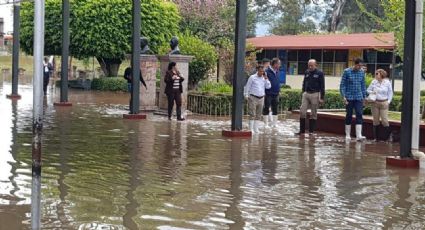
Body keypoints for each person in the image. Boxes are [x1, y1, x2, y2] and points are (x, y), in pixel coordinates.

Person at [340, 58, 367, 141]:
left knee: (359, 114)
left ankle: (359, 135)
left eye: (361, 66)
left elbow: (363, 85)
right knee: (349, 114)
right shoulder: (347, 71)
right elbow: (342, 85)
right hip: (349, 97)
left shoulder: (362, 72)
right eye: (358, 65)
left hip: (358, 97)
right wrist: (344, 96)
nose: (360, 67)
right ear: (355, 64)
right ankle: (348, 134)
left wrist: (364, 97)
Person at [296, 59, 325, 135]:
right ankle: (302, 131)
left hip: (315, 94)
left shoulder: (320, 73)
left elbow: (322, 86)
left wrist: (322, 97)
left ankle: (311, 132)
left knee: (313, 113)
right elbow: (304, 82)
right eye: (309, 65)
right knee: (302, 111)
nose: (310, 67)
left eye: (312, 65)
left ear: (316, 65)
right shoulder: (307, 72)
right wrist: (303, 92)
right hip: (306, 94)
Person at [367, 69, 393, 141]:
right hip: (375, 102)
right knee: (375, 120)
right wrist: (373, 91)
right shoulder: (374, 82)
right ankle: (376, 138)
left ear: (381, 75)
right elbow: (368, 90)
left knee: (384, 120)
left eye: (377, 74)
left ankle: (388, 136)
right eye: (375, 74)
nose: (375, 75)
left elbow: (390, 93)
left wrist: (388, 101)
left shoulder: (387, 82)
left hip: (384, 102)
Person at [244, 65, 271, 133]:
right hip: (253, 97)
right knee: (252, 113)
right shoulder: (252, 77)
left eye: (263, 71)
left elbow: (268, 87)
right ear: (257, 70)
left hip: (261, 98)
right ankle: (251, 129)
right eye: (260, 71)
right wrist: (246, 95)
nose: (262, 72)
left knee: (259, 114)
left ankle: (256, 129)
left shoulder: (264, 78)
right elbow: (247, 86)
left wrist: (266, 79)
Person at [263, 58, 281, 128]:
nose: (279, 65)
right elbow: (263, 82)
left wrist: (279, 91)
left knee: (275, 108)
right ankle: (266, 124)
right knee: (266, 107)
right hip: (268, 93)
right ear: (275, 64)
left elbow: (277, 82)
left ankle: (274, 123)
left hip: (276, 93)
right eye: (279, 64)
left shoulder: (277, 72)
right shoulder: (266, 71)